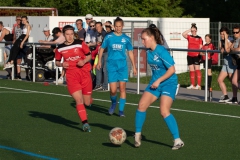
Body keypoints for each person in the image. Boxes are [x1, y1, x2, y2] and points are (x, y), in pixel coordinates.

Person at [134, 25, 184, 150]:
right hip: (156, 82)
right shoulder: (148, 52)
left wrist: (159, 81)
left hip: (169, 83)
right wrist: (156, 81)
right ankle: (137, 135)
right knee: (141, 106)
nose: (142, 41)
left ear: (151, 38)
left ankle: (177, 140)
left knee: (163, 111)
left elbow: (172, 70)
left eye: (144, 39)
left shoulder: (161, 51)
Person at [55, 25, 92, 132]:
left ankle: (89, 100)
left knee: (87, 102)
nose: (70, 37)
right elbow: (57, 62)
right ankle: (85, 123)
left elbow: (89, 55)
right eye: (67, 34)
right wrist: (62, 64)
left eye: (71, 34)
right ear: (64, 35)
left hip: (84, 74)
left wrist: (84, 61)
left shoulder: (80, 43)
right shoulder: (60, 48)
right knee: (78, 100)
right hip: (71, 76)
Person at [97, 17, 137, 117]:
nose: (118, 28)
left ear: (122, 26)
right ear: (114, 26)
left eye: (120, 26)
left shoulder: (126, 38)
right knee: (113, 90)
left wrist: (134, 66)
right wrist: (99, 62)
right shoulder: (109, 37)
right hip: (111, 65)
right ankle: (114, 103)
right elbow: (101, 49)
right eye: (117, 26)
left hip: (122, 65)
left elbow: (130, 52)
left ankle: (121, 110)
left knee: (122, 88)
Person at [217, 27, 237, 103]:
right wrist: (221, 48)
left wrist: (226, 39)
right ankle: (225, 96)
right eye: (221, 34)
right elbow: (221, 48)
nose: (222, 35)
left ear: (227, 34)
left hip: (231, 63)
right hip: (225, 63)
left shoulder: (231, 39)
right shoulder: (221, 40)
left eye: (224, 34)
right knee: (219, 79)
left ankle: (235, 97)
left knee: (233, 80)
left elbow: (227, 49)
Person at [182, 23, 203, 90]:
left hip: (196, 55)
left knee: (197, 69)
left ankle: (198, 85)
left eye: (194, 30)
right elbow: (183, 34)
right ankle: (192, 84)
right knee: (191, 70)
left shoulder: (199, 38)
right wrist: (189, 29)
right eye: (192, 30)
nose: (193, 32)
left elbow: (201, 47)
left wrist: (200, 55)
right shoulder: (189, 37)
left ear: (196, 30)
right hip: (189, 55)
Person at [93, 22, 107, 91]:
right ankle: (98, 84)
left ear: (102, 26)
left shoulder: (104, 33)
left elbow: (105, 43)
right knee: (98, 67)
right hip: (100, 53)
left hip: (106, 52)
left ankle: (105, 86)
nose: (98, 28)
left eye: (99, 26)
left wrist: (100, 43)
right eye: (96, 27)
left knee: (105, 69)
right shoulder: (97, 34)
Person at [229, 25, 240, 104]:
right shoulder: (234, 40)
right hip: (238, 62)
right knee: (234, 81)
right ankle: (235, 98)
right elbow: (229, 49)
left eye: (237, 32)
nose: (235, 34)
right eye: (234, 32)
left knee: (234, 81)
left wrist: (233, 49)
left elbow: (238, 50)